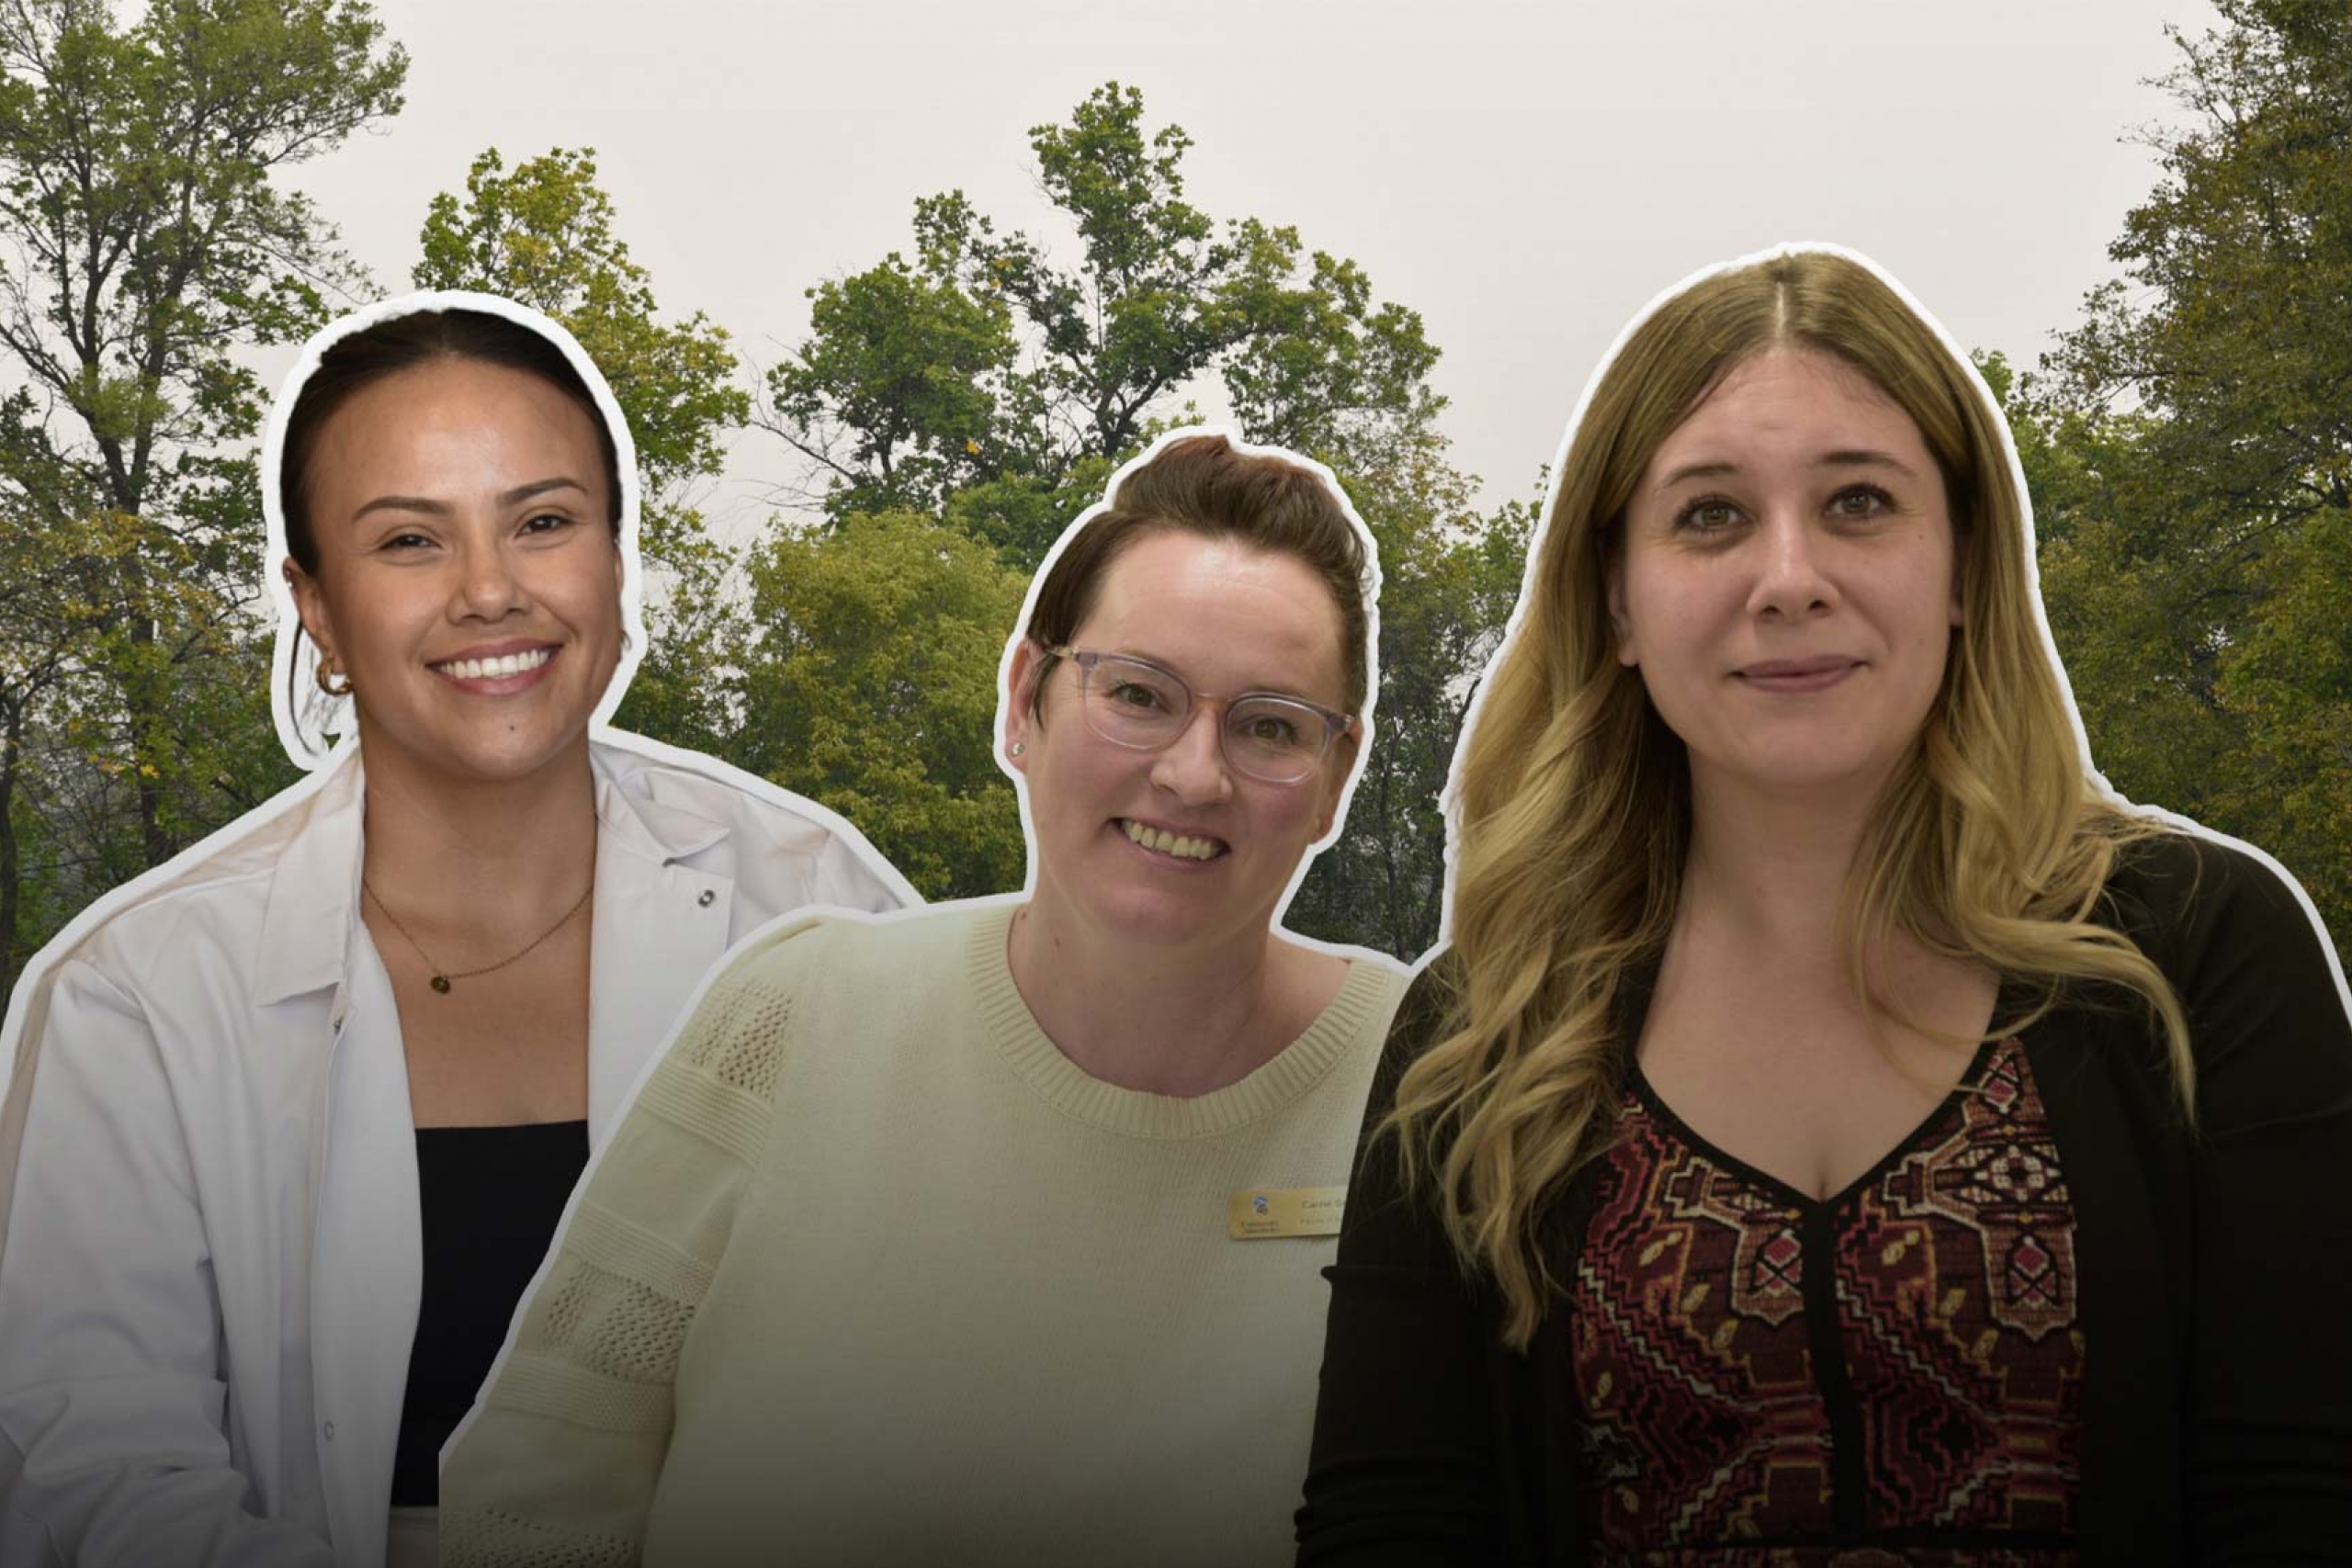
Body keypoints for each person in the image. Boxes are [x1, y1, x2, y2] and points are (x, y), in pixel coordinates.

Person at [1295, 246, 2352, 1565]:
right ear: (1616, 596)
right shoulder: (1484, 1026)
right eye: (1710, 515)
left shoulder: (2195, 951)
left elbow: (2301, 1496)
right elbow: (1388, 1524)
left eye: (1859, 500)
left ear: (1964, 566)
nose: (1788, 576)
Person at [0, 292, 913, 1568]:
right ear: (314, 607)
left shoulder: (825, 915)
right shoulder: (138, 997)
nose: (491, 592)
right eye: (409, 542)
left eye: (543, 522)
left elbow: (938, 1372)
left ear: (614, 556)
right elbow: (97, 1469)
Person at [437, 430, 1410, 1566]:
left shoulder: (1425, 1092)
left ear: (1337, 779)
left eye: (1270, 727)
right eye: (1139, 694)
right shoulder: (797, 1017)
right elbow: (536, 1487)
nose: (1195, 773)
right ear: (1022, 700)